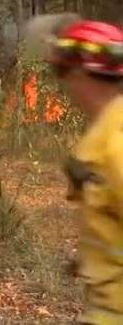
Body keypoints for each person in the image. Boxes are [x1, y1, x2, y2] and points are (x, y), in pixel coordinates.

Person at [47, 19, 123, 324]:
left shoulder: (114, 145)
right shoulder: (104, 134)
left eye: (64, 71)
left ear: (81, 71)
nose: (65, 83)